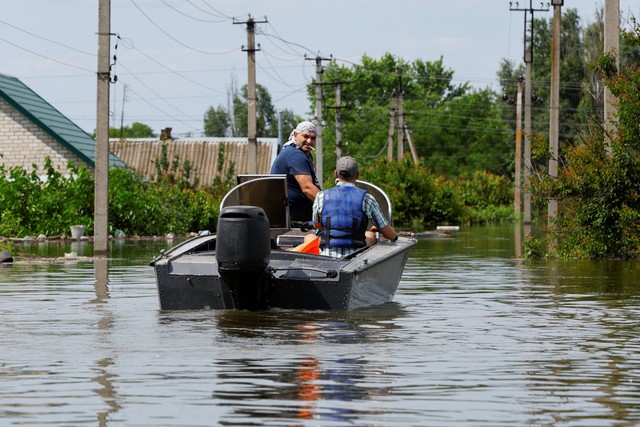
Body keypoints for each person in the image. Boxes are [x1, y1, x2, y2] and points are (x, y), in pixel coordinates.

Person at [312, 156, 398, 258]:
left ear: (335, 174)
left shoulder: (321, 196)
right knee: (371, 236)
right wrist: (386, 232)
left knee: (311, 237)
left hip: (327, 257)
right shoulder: (367, 198)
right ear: (357, 175)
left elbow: (317, 225)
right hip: (356, 259)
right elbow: (390, 236)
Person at [270, 121, 322, 221]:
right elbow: (307, 188)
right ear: (295, 135)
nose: (309, 141)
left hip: (293, 215)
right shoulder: (295, 155)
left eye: (313, 138)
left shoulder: (294, 152)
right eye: (305, 136)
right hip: (294, 219)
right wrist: (328, 206)